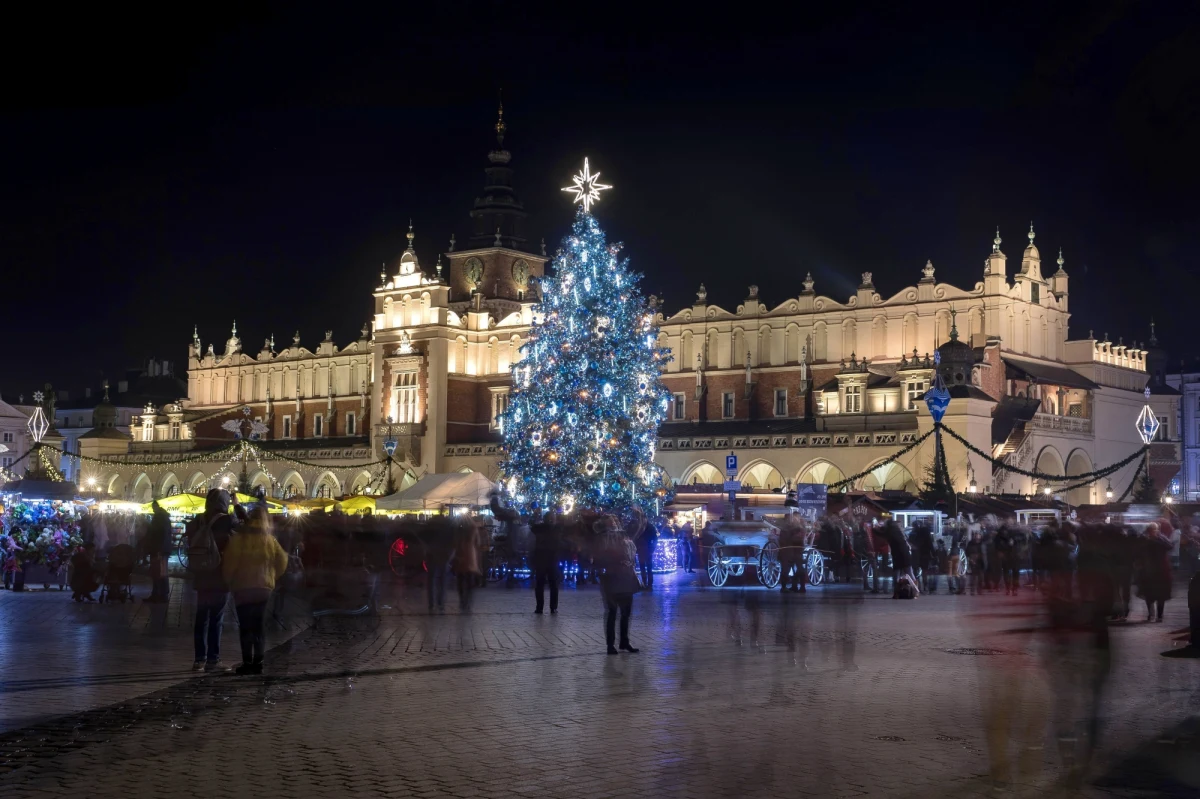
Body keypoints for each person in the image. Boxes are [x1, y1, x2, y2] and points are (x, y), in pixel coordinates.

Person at [221, 506, 289, 675]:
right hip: (263, 589)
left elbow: (230, 563)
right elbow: (283, 561)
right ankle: (258, 662)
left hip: (243, 587)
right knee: (258, 626)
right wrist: (272, 577)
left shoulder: (239, 539)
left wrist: (229, 581)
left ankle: (247, 662)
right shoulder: (269, 540)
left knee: (245, 626)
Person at [187, 488, 237, 672]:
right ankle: (213, 660)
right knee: (216, 618)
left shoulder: (198, 520)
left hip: (201, 576)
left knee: (201, 618)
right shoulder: (226, 520)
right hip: (219, 576)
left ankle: (198, 659)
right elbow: (245, 525)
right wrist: (237, 505)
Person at [597, 515, 641, 654]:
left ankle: (624, 641)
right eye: (611, 522)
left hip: (626, 576)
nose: (614, 524)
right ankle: (610, 645)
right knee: (612, 611)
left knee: (626, 612)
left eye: (615, 521)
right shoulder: (603, 538)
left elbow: (633, 545)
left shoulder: (623, 535)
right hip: (611, 577)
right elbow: (600, 556)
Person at [1137, 523, 1173, 622]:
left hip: (1160, 571)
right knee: (1149, 594)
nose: (1153, 532)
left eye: (1155, 530)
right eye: (1152, 530)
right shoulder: (1144, 540)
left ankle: (1159, 615)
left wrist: (1159, 537)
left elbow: (1170, 546)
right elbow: (1139, 553)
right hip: (1149, 571)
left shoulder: (1160, 540)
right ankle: (1151, 614)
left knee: (1160, 595)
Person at [143, 500, 174, 603]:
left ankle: (159, 594)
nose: (152, 510)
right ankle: (160, 594)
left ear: (156, 507)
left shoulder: (160, 518)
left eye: (153, 508)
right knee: (160, 572)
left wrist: (158, 549)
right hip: (161, 549)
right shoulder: (163, 517)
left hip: (158, 549)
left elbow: (160, 534)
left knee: (158, 572)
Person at [423, 516, 455, 613]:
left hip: (432, 556)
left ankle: (431, 604)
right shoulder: (448, 529)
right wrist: (449, 557)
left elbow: (425, 543)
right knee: (442, 581)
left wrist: (426, 555)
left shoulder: (430, 528)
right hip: (443, 557)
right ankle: (440, 604)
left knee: (431, 581)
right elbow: (452, 544)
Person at [531, 512, 561, 614]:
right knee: (549, 584)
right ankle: (549, 607)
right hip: (547, 559)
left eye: (553, 517)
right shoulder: (554, 528)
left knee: (545, 584)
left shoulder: (540, 528)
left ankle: (544, 607)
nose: (552, 520)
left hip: (546, 559)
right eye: (551, 518)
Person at [453, 517, 482, 612]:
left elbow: (454, 543)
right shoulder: (473, 529)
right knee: (470, 582)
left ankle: (462, 601)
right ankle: (468, 602)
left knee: (460, 581)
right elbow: (478, 543)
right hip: (470, 557)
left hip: (460, 556)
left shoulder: (458, 530)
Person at [633, 510, 656, 589]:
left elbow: (655, 538)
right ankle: (645, 583)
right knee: (643, 566)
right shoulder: (640, 527)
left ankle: (648, 584)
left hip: (647, 549)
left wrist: (652, 548)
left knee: (648, 567)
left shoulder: (649, 527)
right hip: (642, 549)